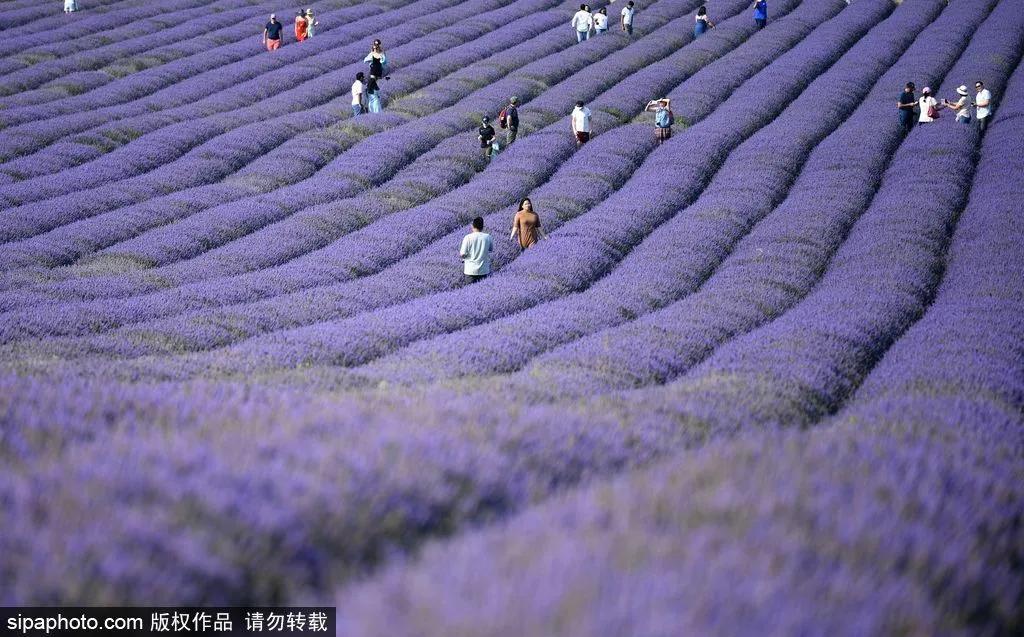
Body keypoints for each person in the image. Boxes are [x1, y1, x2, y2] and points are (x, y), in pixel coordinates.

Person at [460, 217, 493, 282]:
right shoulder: (488, 237)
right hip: (483, 270)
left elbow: (462, 254)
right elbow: (490, 249)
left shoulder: (467, 237)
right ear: (482, 227)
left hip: (470, 270)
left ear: (472, 226)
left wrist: (464, 258)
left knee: (469, 288)